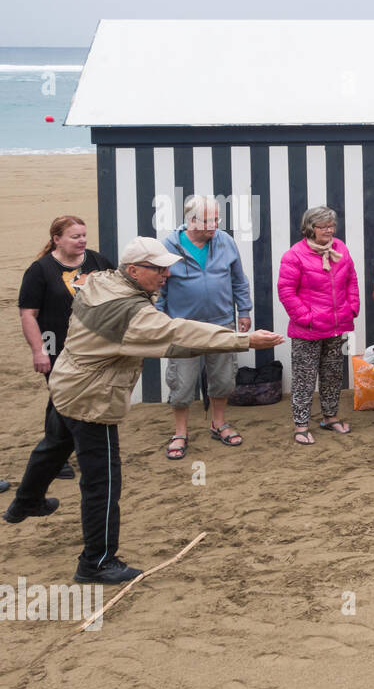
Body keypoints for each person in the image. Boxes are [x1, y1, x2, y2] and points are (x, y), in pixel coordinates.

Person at [3, 237, 282, 583]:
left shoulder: (103, 280)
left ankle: (26, 502)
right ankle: (97, 562)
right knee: (102, 483)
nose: (167, 274)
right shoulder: (128, 312)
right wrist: (243, 340)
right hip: (92, 398)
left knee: (55, 445)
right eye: (159, 268)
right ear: (133, 270)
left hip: (67, 383)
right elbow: (177, 335)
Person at [16, 216, 114, 483]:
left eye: (83, 235)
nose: (82, 240)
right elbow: (28, 314)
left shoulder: (98, 262)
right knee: (60, 399)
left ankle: (76, 447)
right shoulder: (41, 269)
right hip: (55, 346)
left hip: (93, 346)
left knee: (85, 396)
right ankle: (56, 457)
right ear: (57, 239)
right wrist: (38, 351)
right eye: (75, 236)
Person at [158, 195, 253, 459]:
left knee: (223, 379)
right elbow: (159, 287)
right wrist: (157, 321)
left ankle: (219, 423)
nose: (214, 225)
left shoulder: (225, 242)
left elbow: (239, 280)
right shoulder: (169, 246)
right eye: (208, 221)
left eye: (216, 220)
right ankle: (180, 432)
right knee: (182, 382)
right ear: (190, 220)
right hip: (182, 327)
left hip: (222, 323)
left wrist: (243, 311)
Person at [278, 206, 360, 445]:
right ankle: (301, 425)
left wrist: (352, 306)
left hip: (337, 325)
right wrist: (307, 318)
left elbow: (351, 279)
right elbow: (286, 291)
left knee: (333, 374)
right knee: (304, 378)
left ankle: (330, 417)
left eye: (331, 225)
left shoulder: (340, 248)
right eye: (323, 226)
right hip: (308, 330)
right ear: (310, 228)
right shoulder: (294, 255)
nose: (329, 230)